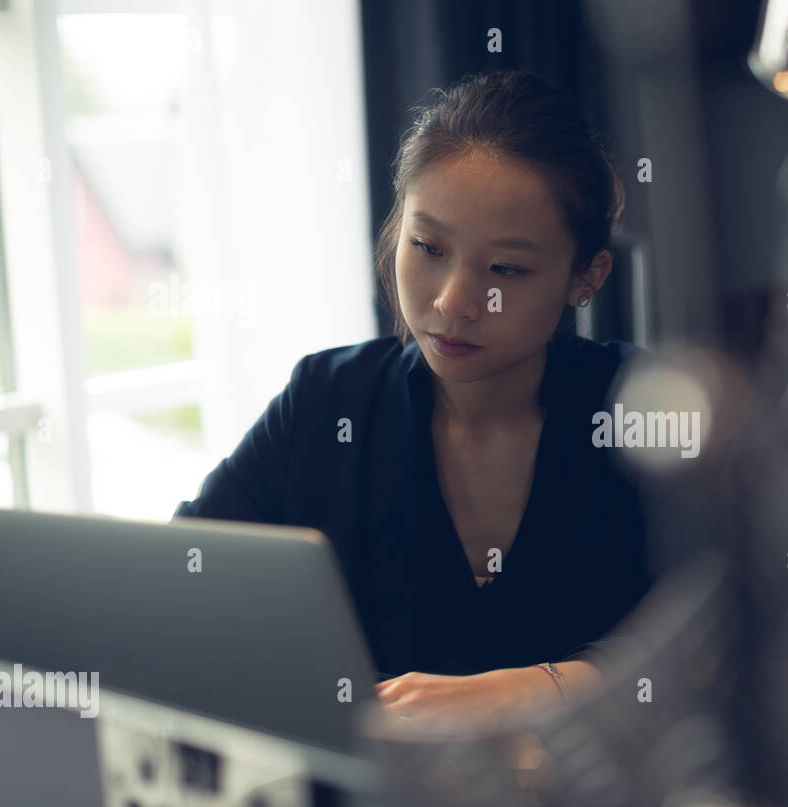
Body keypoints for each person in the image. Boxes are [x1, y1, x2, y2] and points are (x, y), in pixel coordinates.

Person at [173, 69, 655, 735]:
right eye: (427, 247)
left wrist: (543, 688)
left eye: (506, 270)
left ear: (586, 276)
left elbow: (731, 643)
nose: (452, 302)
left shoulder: (648, 415)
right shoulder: (325, 404)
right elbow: (181, 586)